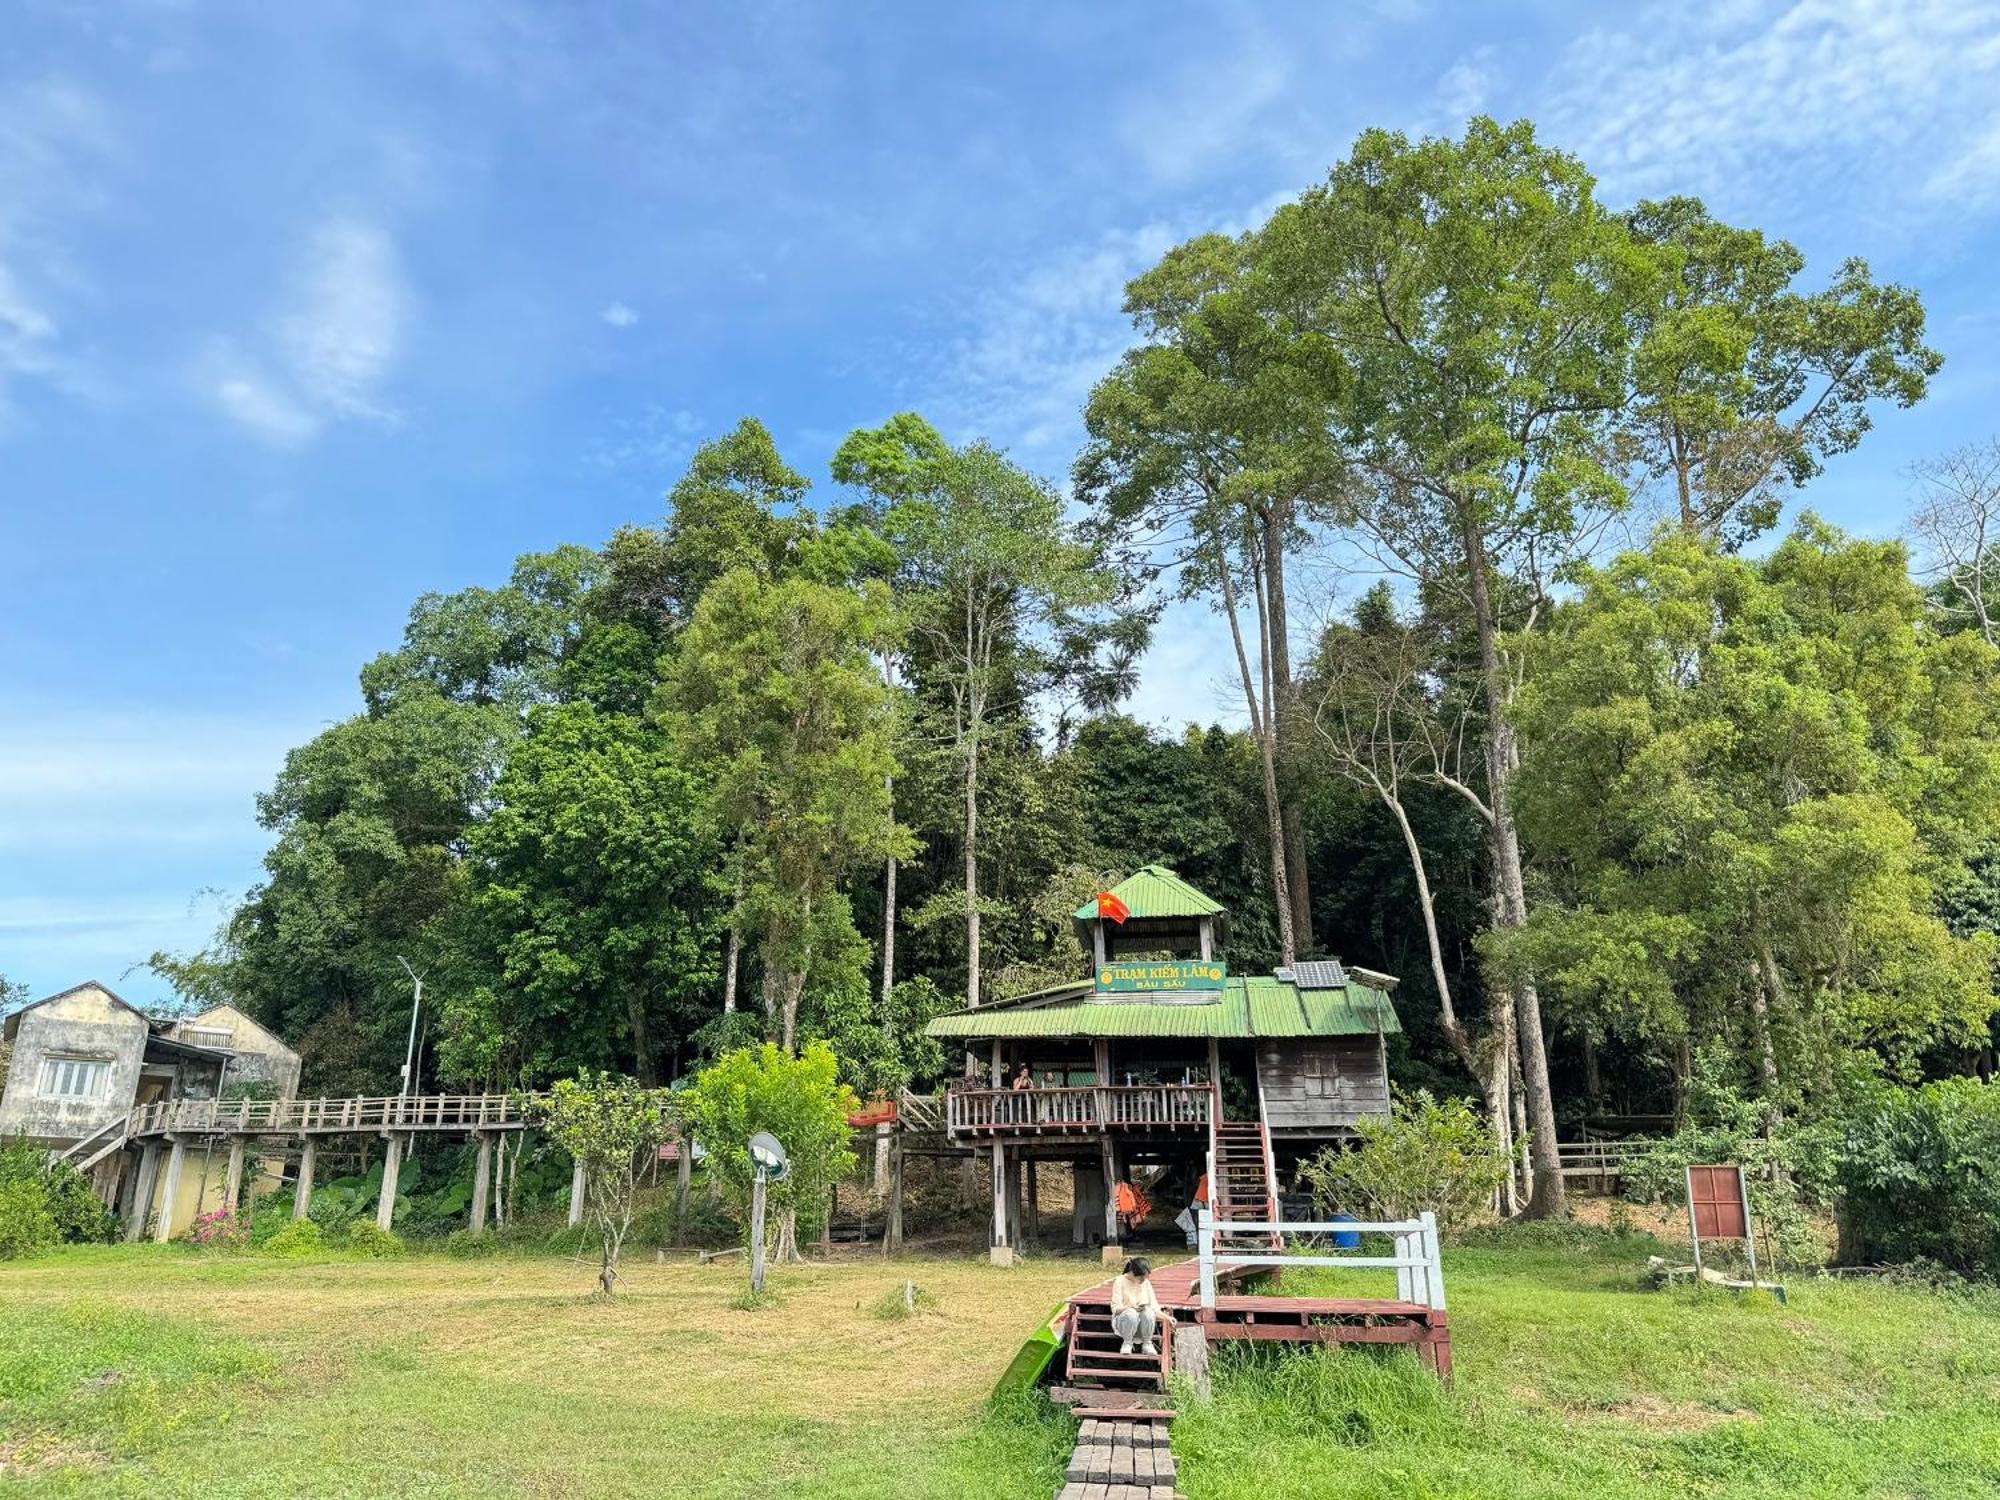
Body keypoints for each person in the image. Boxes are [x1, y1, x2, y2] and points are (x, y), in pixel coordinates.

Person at [1110, 1256, 1161, 1355]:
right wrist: (1131, 1308)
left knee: (1148, 1312)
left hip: (1142, 1324)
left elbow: (1154, 1307)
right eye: (1141, 1277)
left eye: (1145, 1278)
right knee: (1131, 1313)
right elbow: (1115, 1309)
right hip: (1124, 1322)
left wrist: (1167, 1318)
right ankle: (1127, 1343)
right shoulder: (1120, 1281)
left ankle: (1147, 1343)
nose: (1143, 1280)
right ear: (1133, 1273)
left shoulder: (1145, 1283)